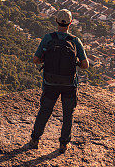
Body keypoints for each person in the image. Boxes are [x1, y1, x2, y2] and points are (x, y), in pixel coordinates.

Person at [28, 9, 89, 153]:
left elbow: (36, 60)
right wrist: (76, 64)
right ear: (70, 22)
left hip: (50, 83)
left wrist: (47, 60)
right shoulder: (75, 41)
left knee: (44, 111)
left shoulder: (48, 38)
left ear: (56, 21)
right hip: (69, 84)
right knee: (68, 114)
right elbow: (85, 65)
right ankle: (63, 144)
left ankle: (35, 140)